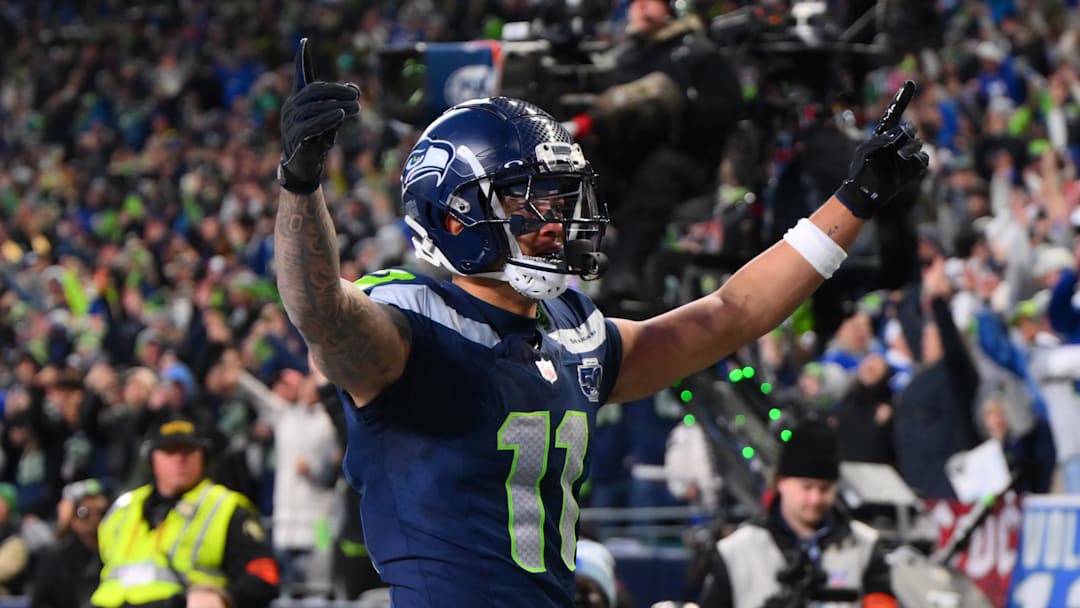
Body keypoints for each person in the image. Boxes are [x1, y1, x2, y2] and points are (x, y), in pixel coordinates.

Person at [273, 36, 926, 607]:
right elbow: (319, 311)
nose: (554, 221)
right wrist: (301, 185)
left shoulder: (571, 332)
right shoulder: (413, 323)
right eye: (528, 204)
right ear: (453, 216)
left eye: (558, 199)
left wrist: (855, 200)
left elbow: (732, 314)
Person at [567, 0, 744, 304]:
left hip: (684, 157)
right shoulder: (624, 55)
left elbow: (724, 112)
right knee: (576, 163)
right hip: (626, 156)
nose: (642, 9)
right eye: (637, 3)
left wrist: (673, 113)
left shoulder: (700, 55)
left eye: (652, 3)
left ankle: (625, 273)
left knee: (657, 175)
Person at [697, 418, 897, 607]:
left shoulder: (865, 546)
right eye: (806, 487)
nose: (815, 499)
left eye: (825, 488)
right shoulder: (737, 551)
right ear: (780, 483)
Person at [89, 416, 280, 608]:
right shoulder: (124, 508)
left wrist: (224, 597)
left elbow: (265, 575)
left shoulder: (225, 507)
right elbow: (94, 572)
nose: (180, 458)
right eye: (170, 451)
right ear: (151, 458)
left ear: (203, 457)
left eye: (188, 451)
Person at [29, 478, 109, 608]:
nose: (94, 519)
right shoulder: (54, 558)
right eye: (84, 513)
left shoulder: (112, 554)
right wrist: (63, 526)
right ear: (71, 516)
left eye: (100, 512)